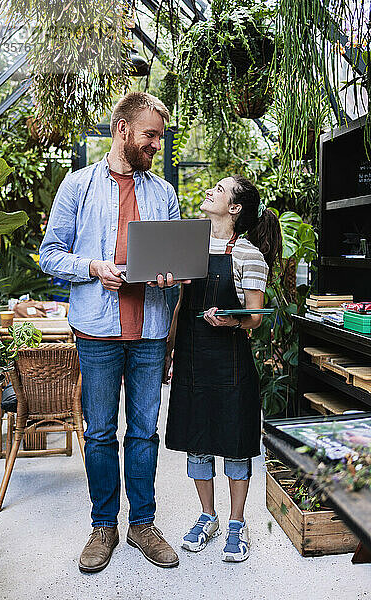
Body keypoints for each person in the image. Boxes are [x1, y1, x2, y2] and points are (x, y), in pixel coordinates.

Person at [39, 92, 188, 572]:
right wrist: (92, 266)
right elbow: (50, 254)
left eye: (160, 138)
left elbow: (171, 258)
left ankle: (142, 524)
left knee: (144, 431)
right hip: (98, 333)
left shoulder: (162, 192)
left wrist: (172, 274)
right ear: (122, 131)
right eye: (150, 136)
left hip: (148, 329)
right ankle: (104, 526)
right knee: (101, 433)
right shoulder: (77, 185)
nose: (156, 146)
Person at [164, 175, 282, 562]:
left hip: (230, 363)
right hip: (193, 358)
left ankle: (236, 522)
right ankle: (206, 516)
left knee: (233, 443)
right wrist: (169, 349)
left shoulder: (248, 254)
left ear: (234, 208)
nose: (212, 190)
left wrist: (231, 321)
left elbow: (254, 317)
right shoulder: (188, 246)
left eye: (221, 189)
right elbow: (181, 304)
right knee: (197, 441)